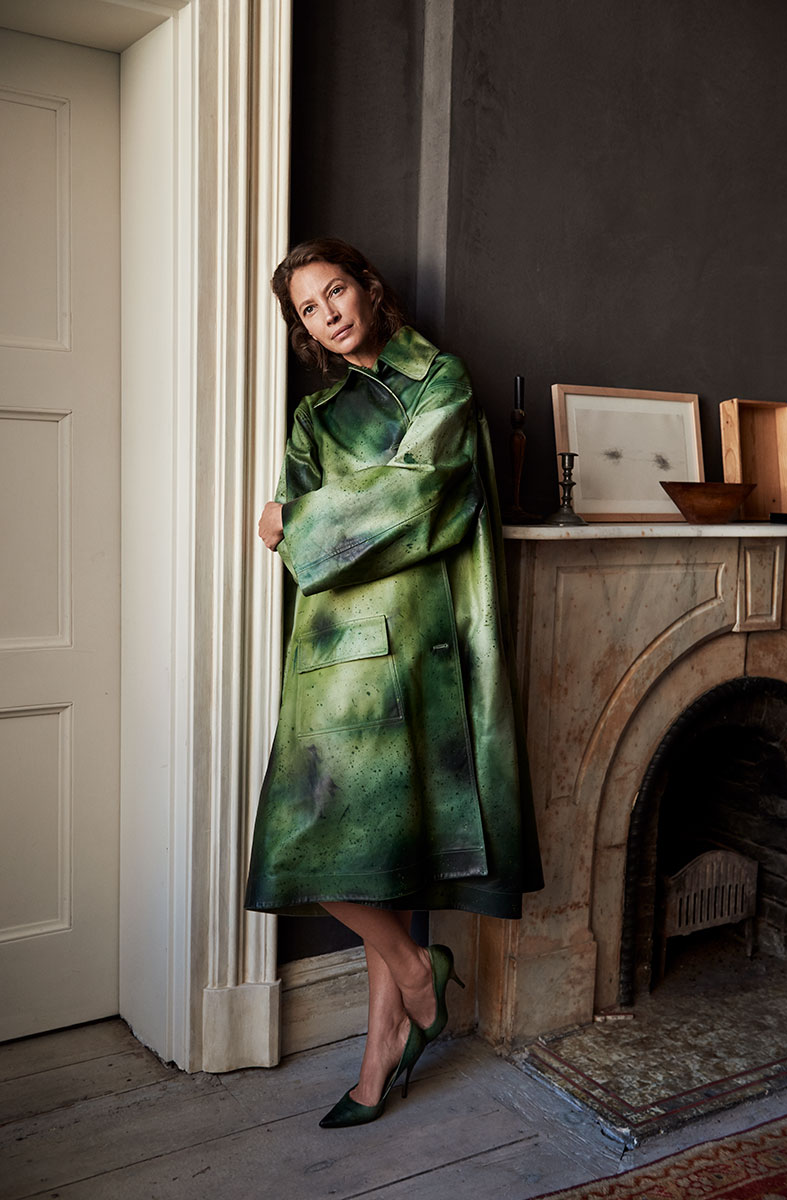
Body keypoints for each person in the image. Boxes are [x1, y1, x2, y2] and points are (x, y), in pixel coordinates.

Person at [245, 238, 543, 1128]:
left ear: (368, 290)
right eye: (308, 309)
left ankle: (380, 1055)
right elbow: (307, 554)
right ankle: (419, 969)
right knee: (303, 846)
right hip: (334, 658)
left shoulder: (438, 380)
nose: (327, 314)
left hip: (422, 648)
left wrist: (300, 519)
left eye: (335, 291)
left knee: (393, 853)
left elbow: (424, 493)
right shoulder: (314, 417)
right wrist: (314, 527)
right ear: (303, 329)